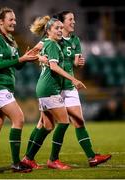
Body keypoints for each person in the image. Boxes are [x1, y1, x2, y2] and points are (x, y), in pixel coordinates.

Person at [23, 11, 111, 169]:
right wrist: (40, 58)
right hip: (54, 86)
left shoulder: (74, 40)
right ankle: (33, 158)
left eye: (74, 19)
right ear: (61, 24)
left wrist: (79, 63)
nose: (74, 22)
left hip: (64, 87)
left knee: (73, 122)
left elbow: (74, 62)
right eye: (70, 19)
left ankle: (90, 157)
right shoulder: (51, 41)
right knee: (46, 124)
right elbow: (33, 55)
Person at [0, 7, 43, 174]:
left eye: (15, 19)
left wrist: (26, 58)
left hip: (4, 86)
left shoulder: (10, 40)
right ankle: (16, 163)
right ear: (1, 22)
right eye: (11, 19)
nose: (14, 22)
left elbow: (17, 65)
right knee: (19, 118)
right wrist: (20, 58)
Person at [21, 15, 86, 170]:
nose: (59, 30)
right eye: (56, 28)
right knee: (64, 122)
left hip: (45, 88)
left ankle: (27, 159)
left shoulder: (52, 44)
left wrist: (39, 57)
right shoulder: (52, 44)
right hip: (49, 89)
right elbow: (54, 67)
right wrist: (73, 79)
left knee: (48, 126)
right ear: (48, 31)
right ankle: (53, 160)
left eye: (60, 28)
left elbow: (43, 58)